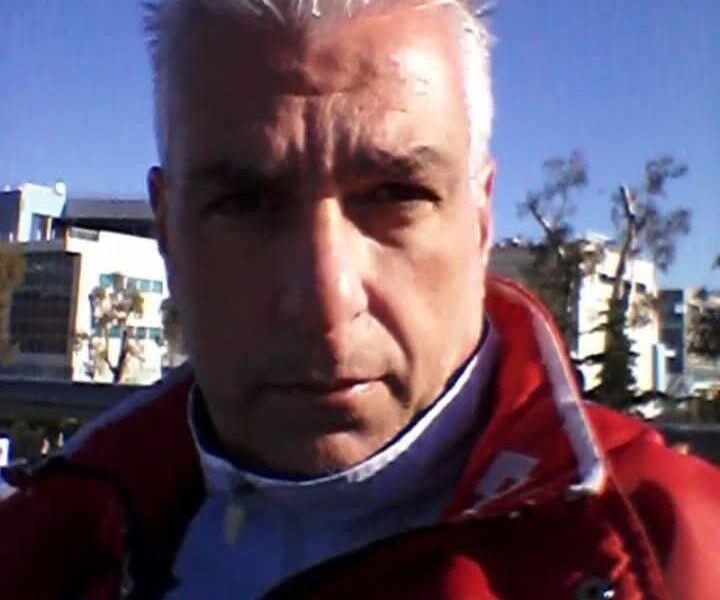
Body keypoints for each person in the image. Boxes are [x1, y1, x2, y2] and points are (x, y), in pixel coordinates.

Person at [1, 1, 719, 598]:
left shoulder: (675, 556)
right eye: (246, 204)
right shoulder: (42, 549)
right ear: (166, 230)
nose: (325, 299)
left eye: (396, 195)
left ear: (480, 218)